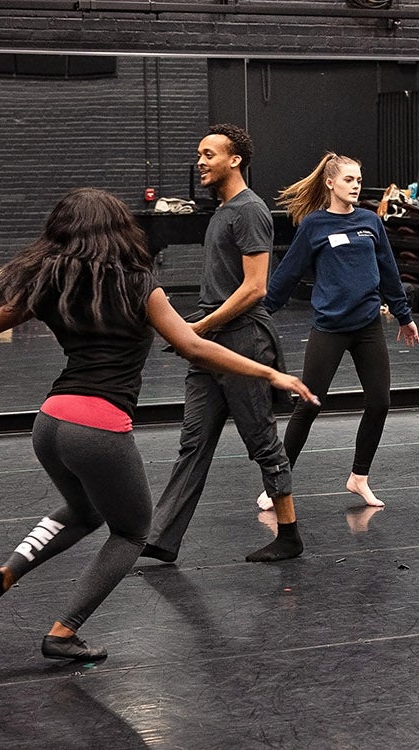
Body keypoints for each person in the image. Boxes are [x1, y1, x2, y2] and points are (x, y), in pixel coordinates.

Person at [0, 187, 315, 662]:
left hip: (51, 421)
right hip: (98, 429)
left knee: (84, 512)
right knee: (130, 532)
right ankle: (63, 631)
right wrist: (269, 371)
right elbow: (195, 347)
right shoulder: (139, 283)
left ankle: (6, 573)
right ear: (118, 229)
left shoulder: (48, 281)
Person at [141, 124, 304, 564]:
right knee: (193, 442)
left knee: (262, 442)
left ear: (234, 160)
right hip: (211, 342)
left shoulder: (250, 211)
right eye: (199, 154)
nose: (200, 161)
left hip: (244, 341)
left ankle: (289, 536)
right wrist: (196, 330)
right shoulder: (221, 212)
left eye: (208, 154)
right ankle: (161, 537)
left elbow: (255, 289)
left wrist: (198, 328)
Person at [265, 153, 419, 508]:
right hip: (330, 327)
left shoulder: (369, 222)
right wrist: (260, 313)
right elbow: (287, 275)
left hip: (367, 326)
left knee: (380, 401)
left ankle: (358, 478)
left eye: (359, 181)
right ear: (331, 183)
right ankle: (277, 484)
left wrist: (403, 314)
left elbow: (389, 271)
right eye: (349, 180)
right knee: (309, 405)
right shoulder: (314, 225)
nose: (355, 186)